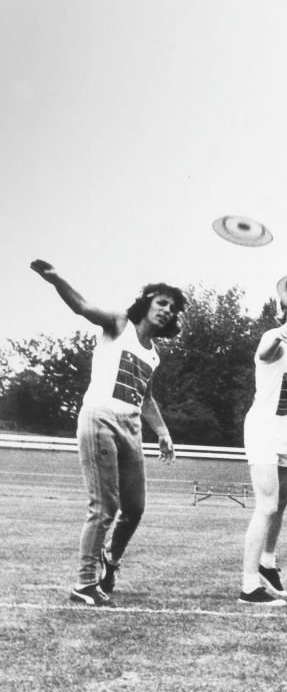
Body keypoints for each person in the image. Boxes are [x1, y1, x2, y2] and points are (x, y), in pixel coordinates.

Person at [30, 260, 185, 607]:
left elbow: (145, 397)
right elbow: (82, 306)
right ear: (147, 302)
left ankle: (109, 564)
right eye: (162, 303)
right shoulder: (119, 324)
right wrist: (56, 279)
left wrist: (162, 432)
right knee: (104, 507)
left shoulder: (153, 355)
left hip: (130, 427)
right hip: (99, 419)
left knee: (135, 507)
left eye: (172, 309)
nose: (167, 311)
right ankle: (84, 585)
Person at [237, 301, 287, 606]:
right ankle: (248, 586)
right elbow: (264, 353)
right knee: (267, 506)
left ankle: (267, 564)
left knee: (281, 503)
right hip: (262, 429)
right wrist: (281, 335)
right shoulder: (273, 336)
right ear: (285, 309)